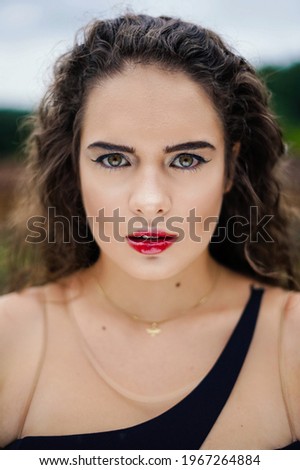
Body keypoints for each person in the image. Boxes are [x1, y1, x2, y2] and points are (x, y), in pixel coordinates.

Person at [1, 12, 300, 450]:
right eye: (114, 159)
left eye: (186, 159)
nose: (149, 201)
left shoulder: (291, 340)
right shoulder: (9, 338)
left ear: (231, 166)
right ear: (74, 165)